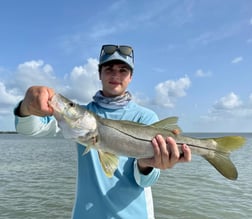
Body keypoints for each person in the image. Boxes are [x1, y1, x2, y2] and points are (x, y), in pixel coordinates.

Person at [14, 44, 191, 219]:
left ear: (131, 77)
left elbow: (147, 181)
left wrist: (146, 165)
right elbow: (30, 129)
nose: (115, 75)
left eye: (123, 70)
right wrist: (26, 107)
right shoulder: (78, 119)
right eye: (109, 69)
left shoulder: (146, 116)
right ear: (99, 74)